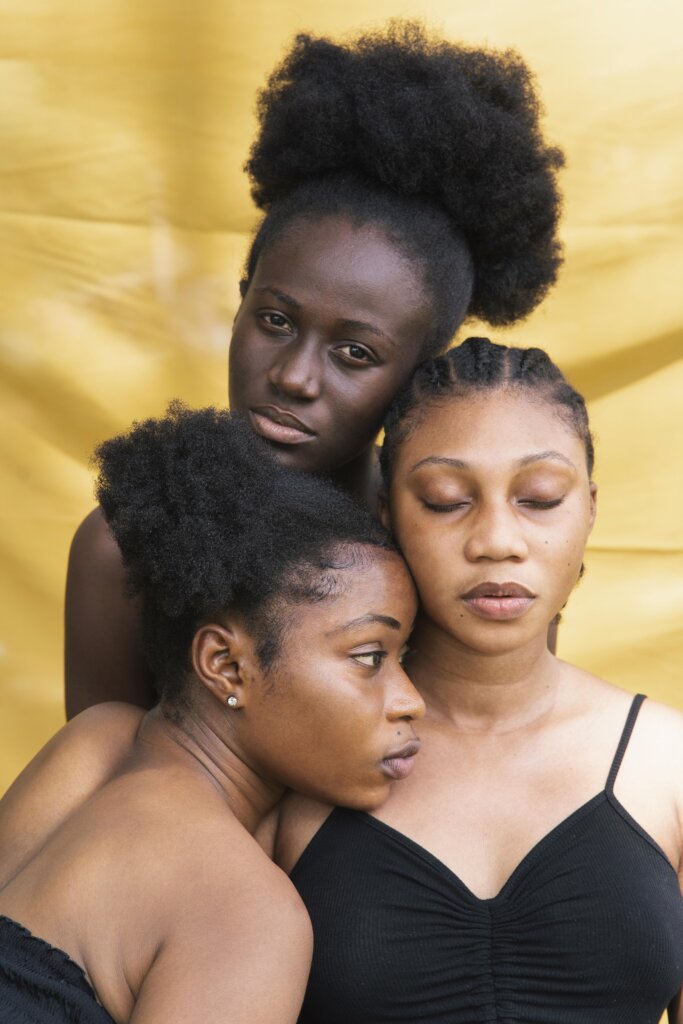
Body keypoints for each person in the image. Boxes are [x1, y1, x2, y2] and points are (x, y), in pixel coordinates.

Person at [65, 22, 565, 717]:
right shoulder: (126, 548)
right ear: (241, 302)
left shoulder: (468, 551)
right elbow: (93, 799)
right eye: (274, 320)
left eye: (354, 354)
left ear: (419, 372)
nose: (294, 378)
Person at [274, 338, 683, 1023]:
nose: (496, 538)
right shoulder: (297, 756)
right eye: (444, 500)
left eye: (539, 498)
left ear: (588, 508)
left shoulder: (667, 763)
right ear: (385, 512)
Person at [0, 404, 425, 1023]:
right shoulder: (243, 915)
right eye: (368, 657)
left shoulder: (96, 742)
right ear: (225, 666)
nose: (412, 699)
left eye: (403, 658)